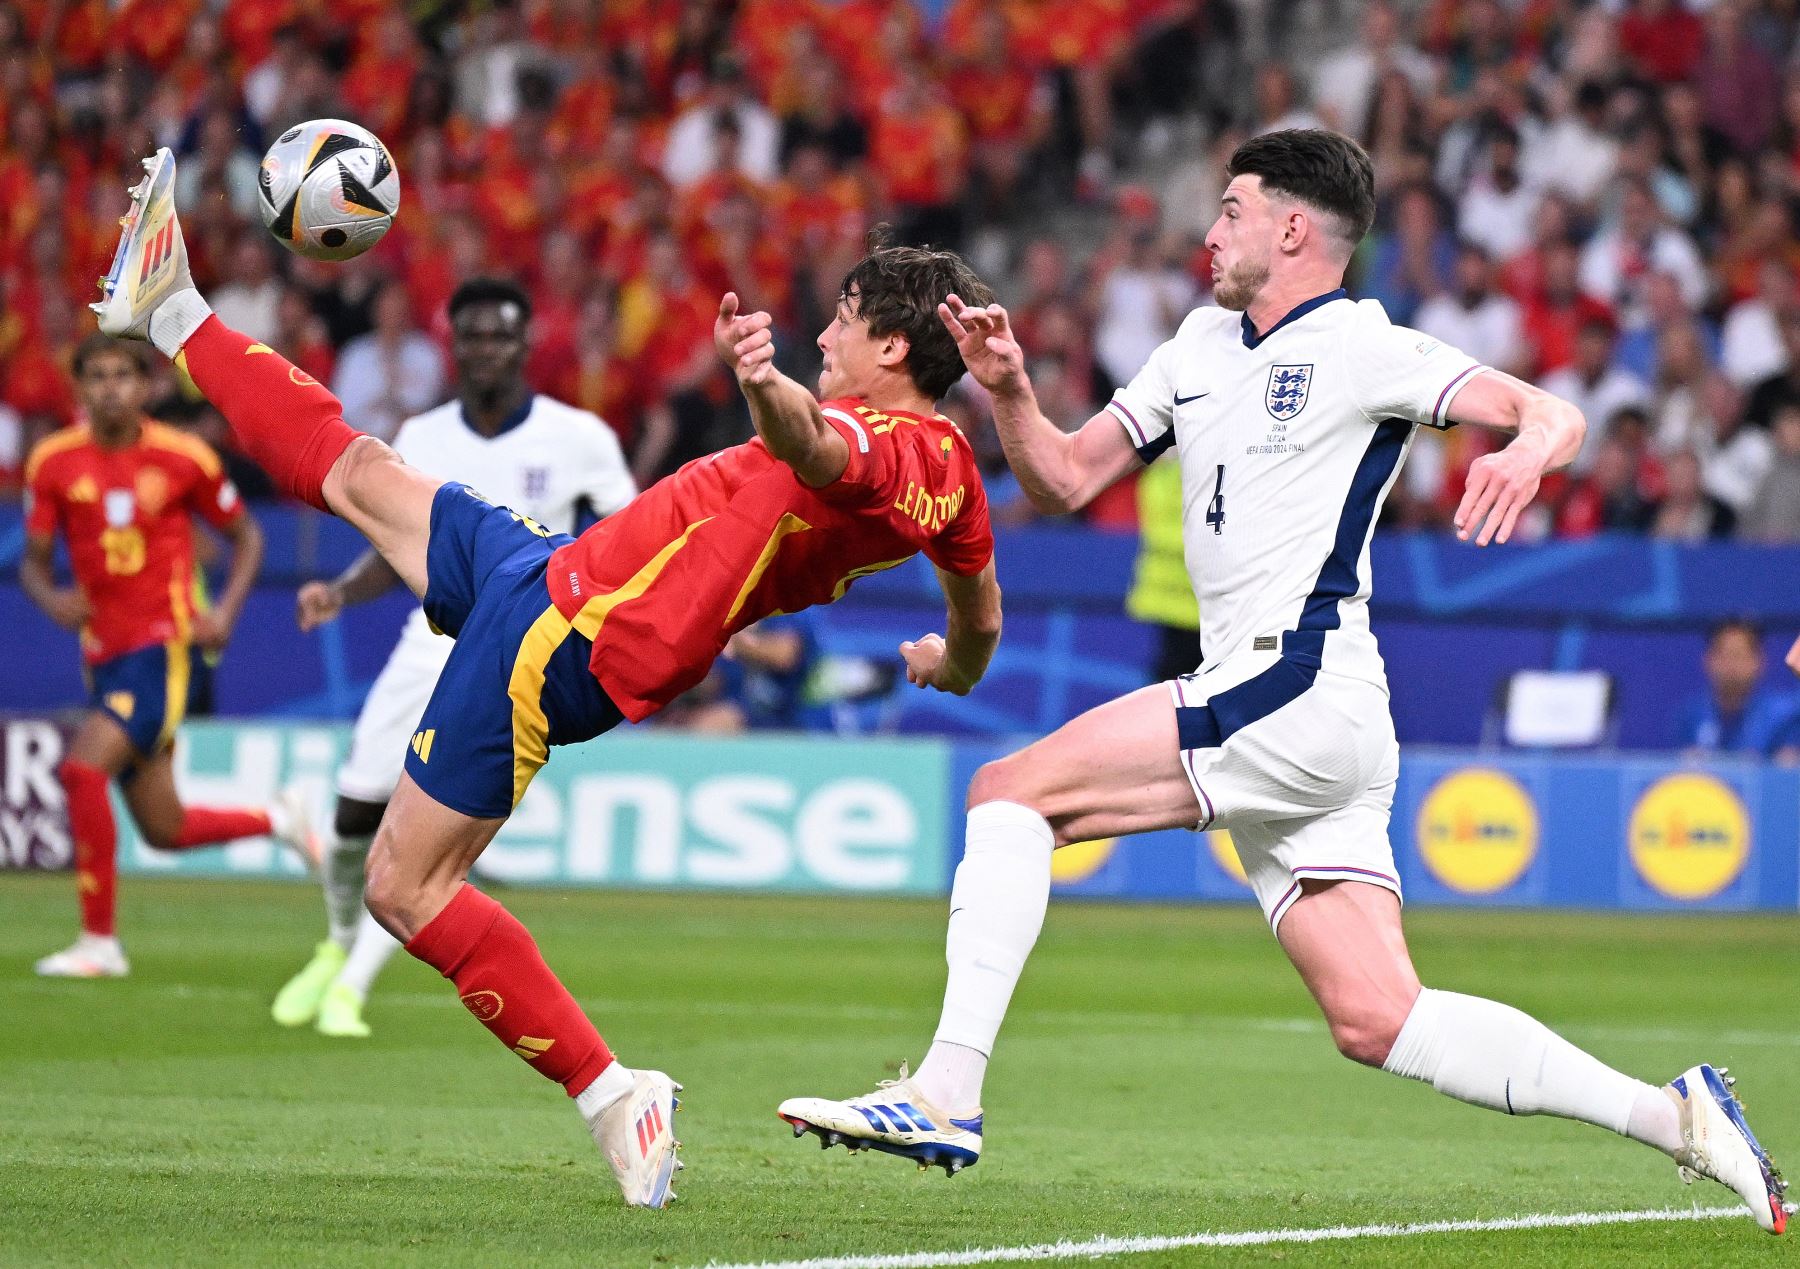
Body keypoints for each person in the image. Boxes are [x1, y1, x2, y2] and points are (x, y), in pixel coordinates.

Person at [778, 129, 1789, 1235]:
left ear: (1293, 228)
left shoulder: (1366, 346)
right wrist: (1011, 389)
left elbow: (1555, 413)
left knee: (1011, 792)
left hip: (1296, 685)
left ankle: (944, 1094)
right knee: (1379, 1018)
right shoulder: (1198, 346)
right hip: (1313, 716)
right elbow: (1066, 477)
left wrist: (1523, 451)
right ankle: (1676, 1117)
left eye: (1231, 210)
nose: (1210, 232)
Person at [91, 150, 1002, 1209]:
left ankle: (615, 1093)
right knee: (359, 470)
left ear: (891, 345)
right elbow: (977, 614)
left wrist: (761, 383)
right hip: (553, 571)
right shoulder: (954, 475)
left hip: (569, 636)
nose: (826, 334)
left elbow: (813, 447)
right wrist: (951, 664)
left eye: (844, 320)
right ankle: (170, 308)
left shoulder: (870, 436)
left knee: (403, 885)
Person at [270, 277, 638, 1040]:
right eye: (471, 336)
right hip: (427, 644)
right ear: (454, 346)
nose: (485, 351)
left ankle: (352, 987)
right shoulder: (426, 435)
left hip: (512, 658)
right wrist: (339, 593)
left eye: (500, 335)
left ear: (526, 343)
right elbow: (398, 543)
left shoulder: (581, 439)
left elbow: (630, 543)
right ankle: (337, 943)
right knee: (350, 815)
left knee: (423, 841)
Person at [20, 335, 317, 979]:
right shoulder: (51, 463)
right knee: (164, 828)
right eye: (95, 377)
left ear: (148, 386)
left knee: (81, 771)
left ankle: (99, 943)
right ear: (79, 389)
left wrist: (224, 616)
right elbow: (34, 564)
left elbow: (248, 536)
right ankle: (279, 819)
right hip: (101, 653)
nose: (109, 389)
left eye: (123, 376)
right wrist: (53, 600)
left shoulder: (185, 458)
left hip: (163, 649)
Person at [1673, 618, 1798, 757]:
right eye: (1724, 654)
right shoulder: (1692, 714)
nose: (1732, 664)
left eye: (1739, 655)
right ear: (1708, 659)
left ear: (1759, 661)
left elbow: (1788, 769)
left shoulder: (1784, 716)